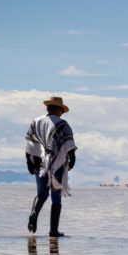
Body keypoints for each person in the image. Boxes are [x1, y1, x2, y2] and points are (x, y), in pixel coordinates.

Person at [25, 96, 77, 238]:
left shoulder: (35, 122)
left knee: (42, 194)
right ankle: (53, 231)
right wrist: (72, 159)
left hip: (39, 163)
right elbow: (69, 144)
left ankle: (34, 213)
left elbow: (30, 144)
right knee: (56, 197)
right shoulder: (63, 124)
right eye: (61, 111)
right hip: (57, 164)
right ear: (59, 109)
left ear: (48, 109)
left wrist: (29, 163)